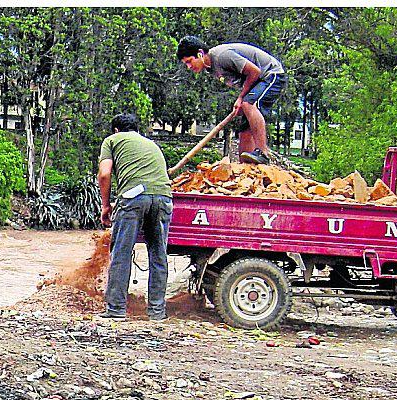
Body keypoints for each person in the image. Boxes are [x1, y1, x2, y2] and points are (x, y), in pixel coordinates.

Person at [97, 113, 173, 321]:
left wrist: (106, 206)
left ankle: (116, 309)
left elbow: (104, 174)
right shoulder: (151, 144)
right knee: (158, 254)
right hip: (164, 197)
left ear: (115, 130)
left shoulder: (112, 140)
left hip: (133, 197)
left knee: (121, 252)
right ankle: (157, 312)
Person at [176, 36, 286, 165]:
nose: (189, 67)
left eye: (189, 61)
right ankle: (245, 167)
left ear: (200, 53)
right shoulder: (210, 68)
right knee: (244, 126)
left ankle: (262, 152)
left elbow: (254, 72)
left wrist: (241, 98)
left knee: (248, 104)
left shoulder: (222, 56)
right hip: (257, 82)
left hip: (271, 75)